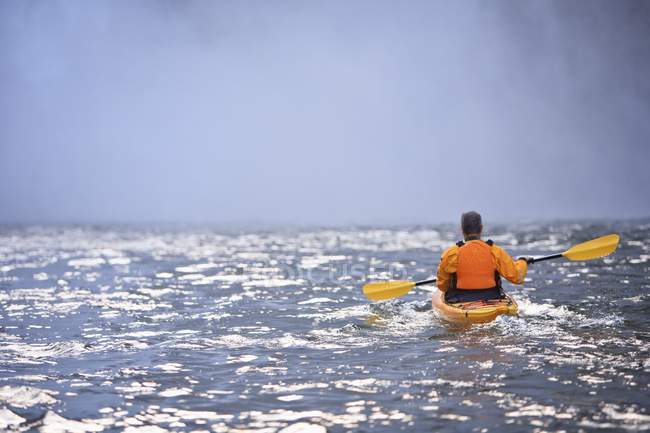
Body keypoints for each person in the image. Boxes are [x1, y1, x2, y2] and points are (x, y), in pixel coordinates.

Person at [436, 211, 530, 303]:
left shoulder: (451, 253)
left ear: (462, 229)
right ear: (481, 228)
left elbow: (442, 286)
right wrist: (523, 261)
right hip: (492, 298)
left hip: (460, 299)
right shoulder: (495, 251)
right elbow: (517, 277)